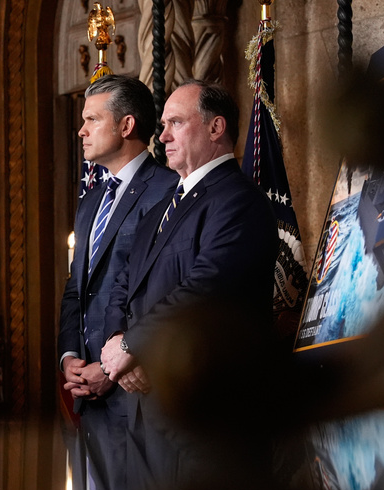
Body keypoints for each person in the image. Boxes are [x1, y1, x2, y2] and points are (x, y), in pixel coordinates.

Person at [101, 79, 278, 399]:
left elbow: (205, 288)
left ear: (216, 128)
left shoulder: (239, 201)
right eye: (163, 124)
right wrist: (118, 342)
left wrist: (133, 346)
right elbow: (124, 283)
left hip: (208, 404)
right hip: (144, 401)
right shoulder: (157, 212)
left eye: (176, 123)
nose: (163, 135)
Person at [59, 74, 177, 413]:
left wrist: (113, 365)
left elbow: (161, 289)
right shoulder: (91, 200)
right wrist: (69, 356)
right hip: (84, 387)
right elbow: (76, 287)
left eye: (92, 120)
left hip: (136, 388)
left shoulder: (168, 190)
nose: (81, 131)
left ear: (126, 125)